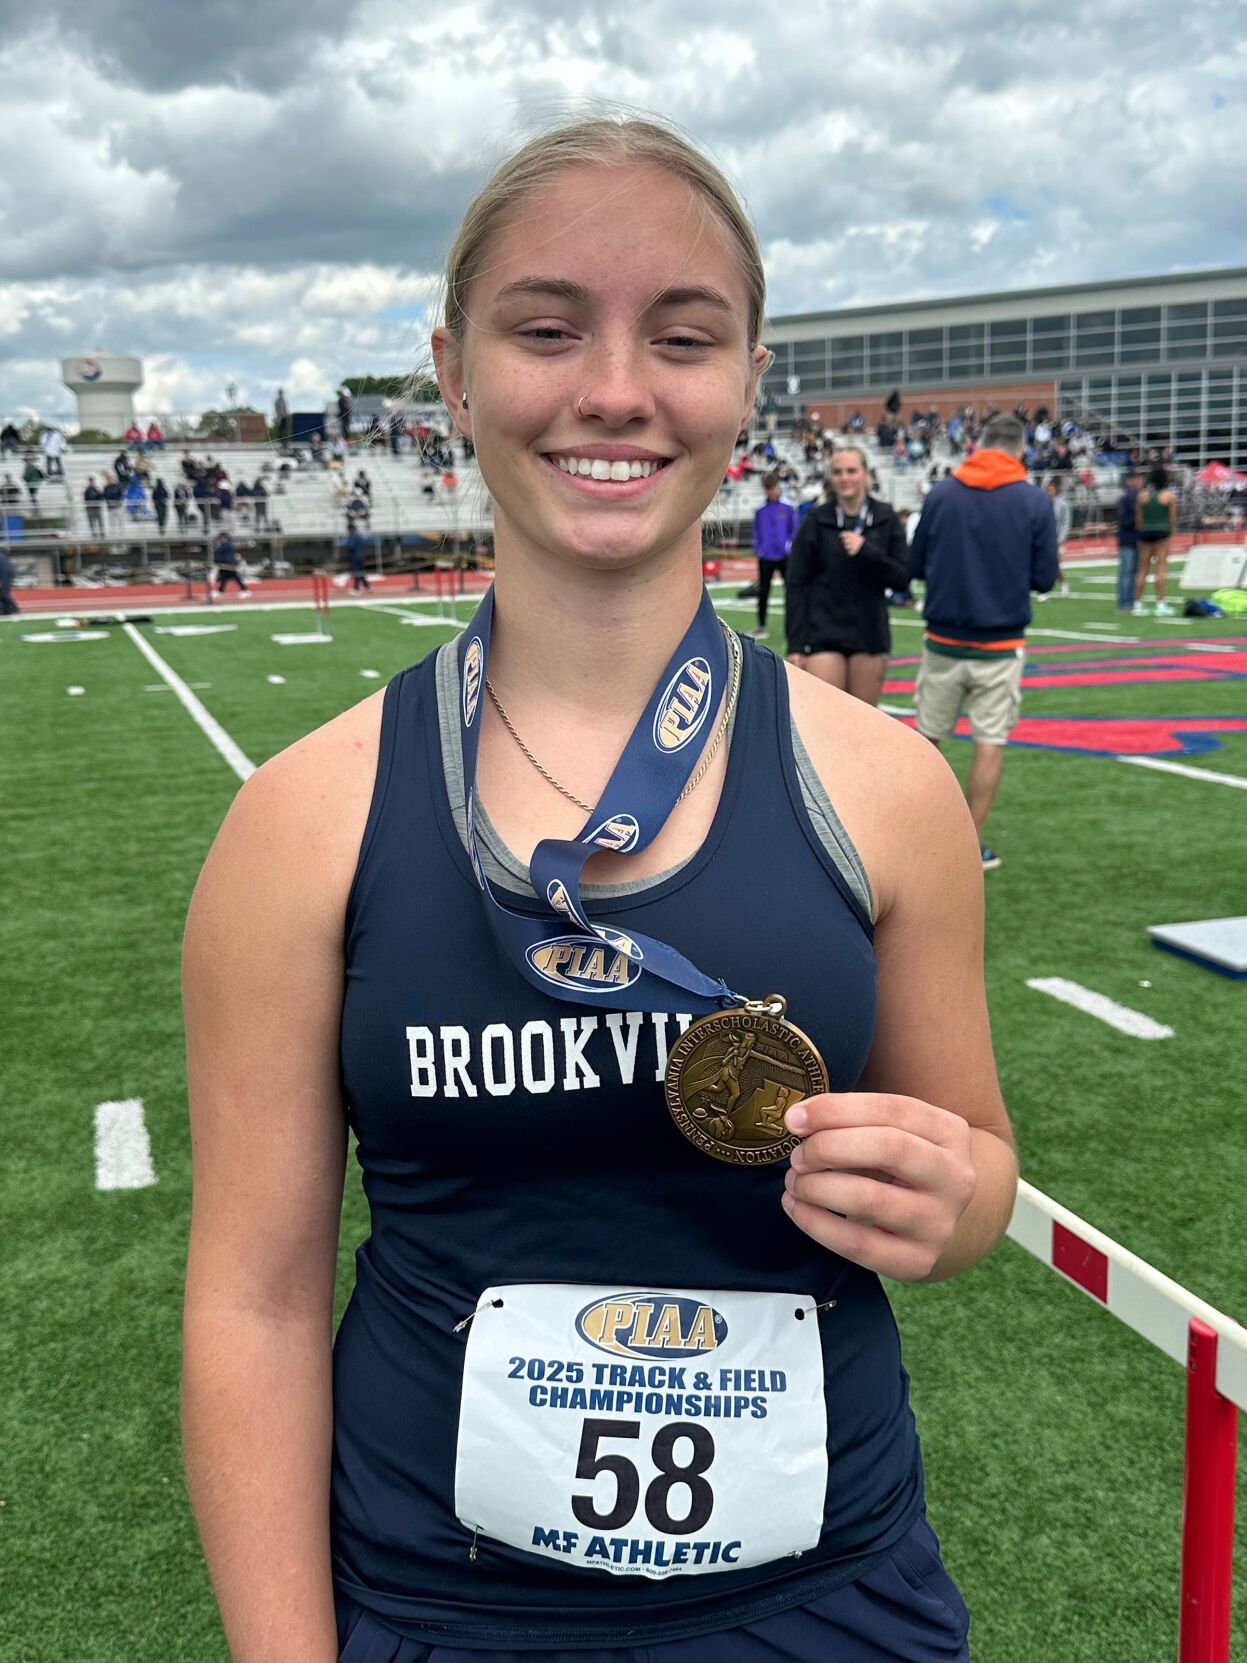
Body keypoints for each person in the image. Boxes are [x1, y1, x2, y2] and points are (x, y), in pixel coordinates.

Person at [183, 116, 1015, 1663]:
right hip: (435, 1608)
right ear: (453, 369)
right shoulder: (299, 822)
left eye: (680, 335)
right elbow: (254, 1300)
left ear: (746, 374)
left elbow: (976, 1172)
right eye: (546, 328)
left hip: (822, 1601)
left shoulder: (882, 785)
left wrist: (947, 1197)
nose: (615, 387)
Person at [909, 413, 1058, 870]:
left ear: (978, 444)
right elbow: (1045, 578)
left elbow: (915, 563)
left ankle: (908, 832)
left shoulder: (943, 493)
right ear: (1019, 449)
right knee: (990, 741)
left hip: (943, 637)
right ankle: (970, 843)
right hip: (1001, 640)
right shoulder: (1033, 501)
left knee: (926, 740)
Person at [785, 445, 909, 706]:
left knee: (864, 725)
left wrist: (868, 552)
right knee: (826, 726)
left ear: (866, 474)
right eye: (838, 472)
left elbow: (902, 577)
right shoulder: (817, 521)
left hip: (869, 635)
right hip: (823, 634)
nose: (844, 478)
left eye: (851, 471)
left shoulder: (886, 518)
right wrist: (796, 644)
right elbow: (796, 584)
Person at [749, 471, 797, 637]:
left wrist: (789, 546)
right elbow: (756, 531)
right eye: (768, 488)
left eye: (773, 487)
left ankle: (794, 625)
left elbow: (794, 529)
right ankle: (761, 626)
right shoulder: (760, 510)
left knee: (791, 591)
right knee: (763, 592)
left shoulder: (788, 506)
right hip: (766, 557)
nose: (771, 491)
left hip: (785, 556)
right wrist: (759, 548)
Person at [1134, 464, 1177, 616]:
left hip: (1145, 532)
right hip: (1162, 533)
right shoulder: (1169, 496)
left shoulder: (1142, 495)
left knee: (1143, 569)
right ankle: (1160, 604)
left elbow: (1139, 518)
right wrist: (1169, 533)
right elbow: (1172, 519)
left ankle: (1138, 603)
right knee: (1161, 567)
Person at [1116, 467, 1143, 612]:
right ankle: (1123, 602)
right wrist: (1138, 520)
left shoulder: (1142, 497)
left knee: (1135, 572)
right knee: (1126, 572)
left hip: (1138, 539)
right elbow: (1123, 520)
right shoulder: (1126, 499)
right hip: (1127, 540)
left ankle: (1132, 600)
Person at [1041, 477, 1072, 599]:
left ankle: (1063, 583)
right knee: (1045, 563)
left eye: (1052, 489)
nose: (1050, 491)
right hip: (1045, 537)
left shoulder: (1062, 504)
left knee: (1056, 564)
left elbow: (1066, 522)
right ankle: (1046, 590)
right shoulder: (1043, 502)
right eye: (1048, 489)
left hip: (1057, 538)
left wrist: (1062, 537)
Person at [212, 530, 250, 596]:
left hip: (229, 564)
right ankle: (220, 591)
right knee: (224, 578)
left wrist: (216, 544)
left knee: (235, 577)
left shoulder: (227, 544)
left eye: (220, 538)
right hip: (225, 564)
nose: (219, 539)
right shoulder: (227, 543)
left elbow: (219, 549)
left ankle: (245, 590)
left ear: (223, 537)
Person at [345, 522, 370, 592]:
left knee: (356, 572)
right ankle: (367, 585)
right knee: (361, 571)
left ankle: (356, 587)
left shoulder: (353, 535)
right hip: (360, 556)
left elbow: (351, 546)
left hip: (355, 557)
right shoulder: (358, 535)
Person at [0, 545, 19, 615]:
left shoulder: (1, 557)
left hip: (4, 575)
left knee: (4, 593)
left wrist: (1, 580)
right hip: (7, 575)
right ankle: (6, 610)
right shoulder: (3, 556)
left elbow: (3, 570)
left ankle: (14, 609)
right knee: (3, 593)